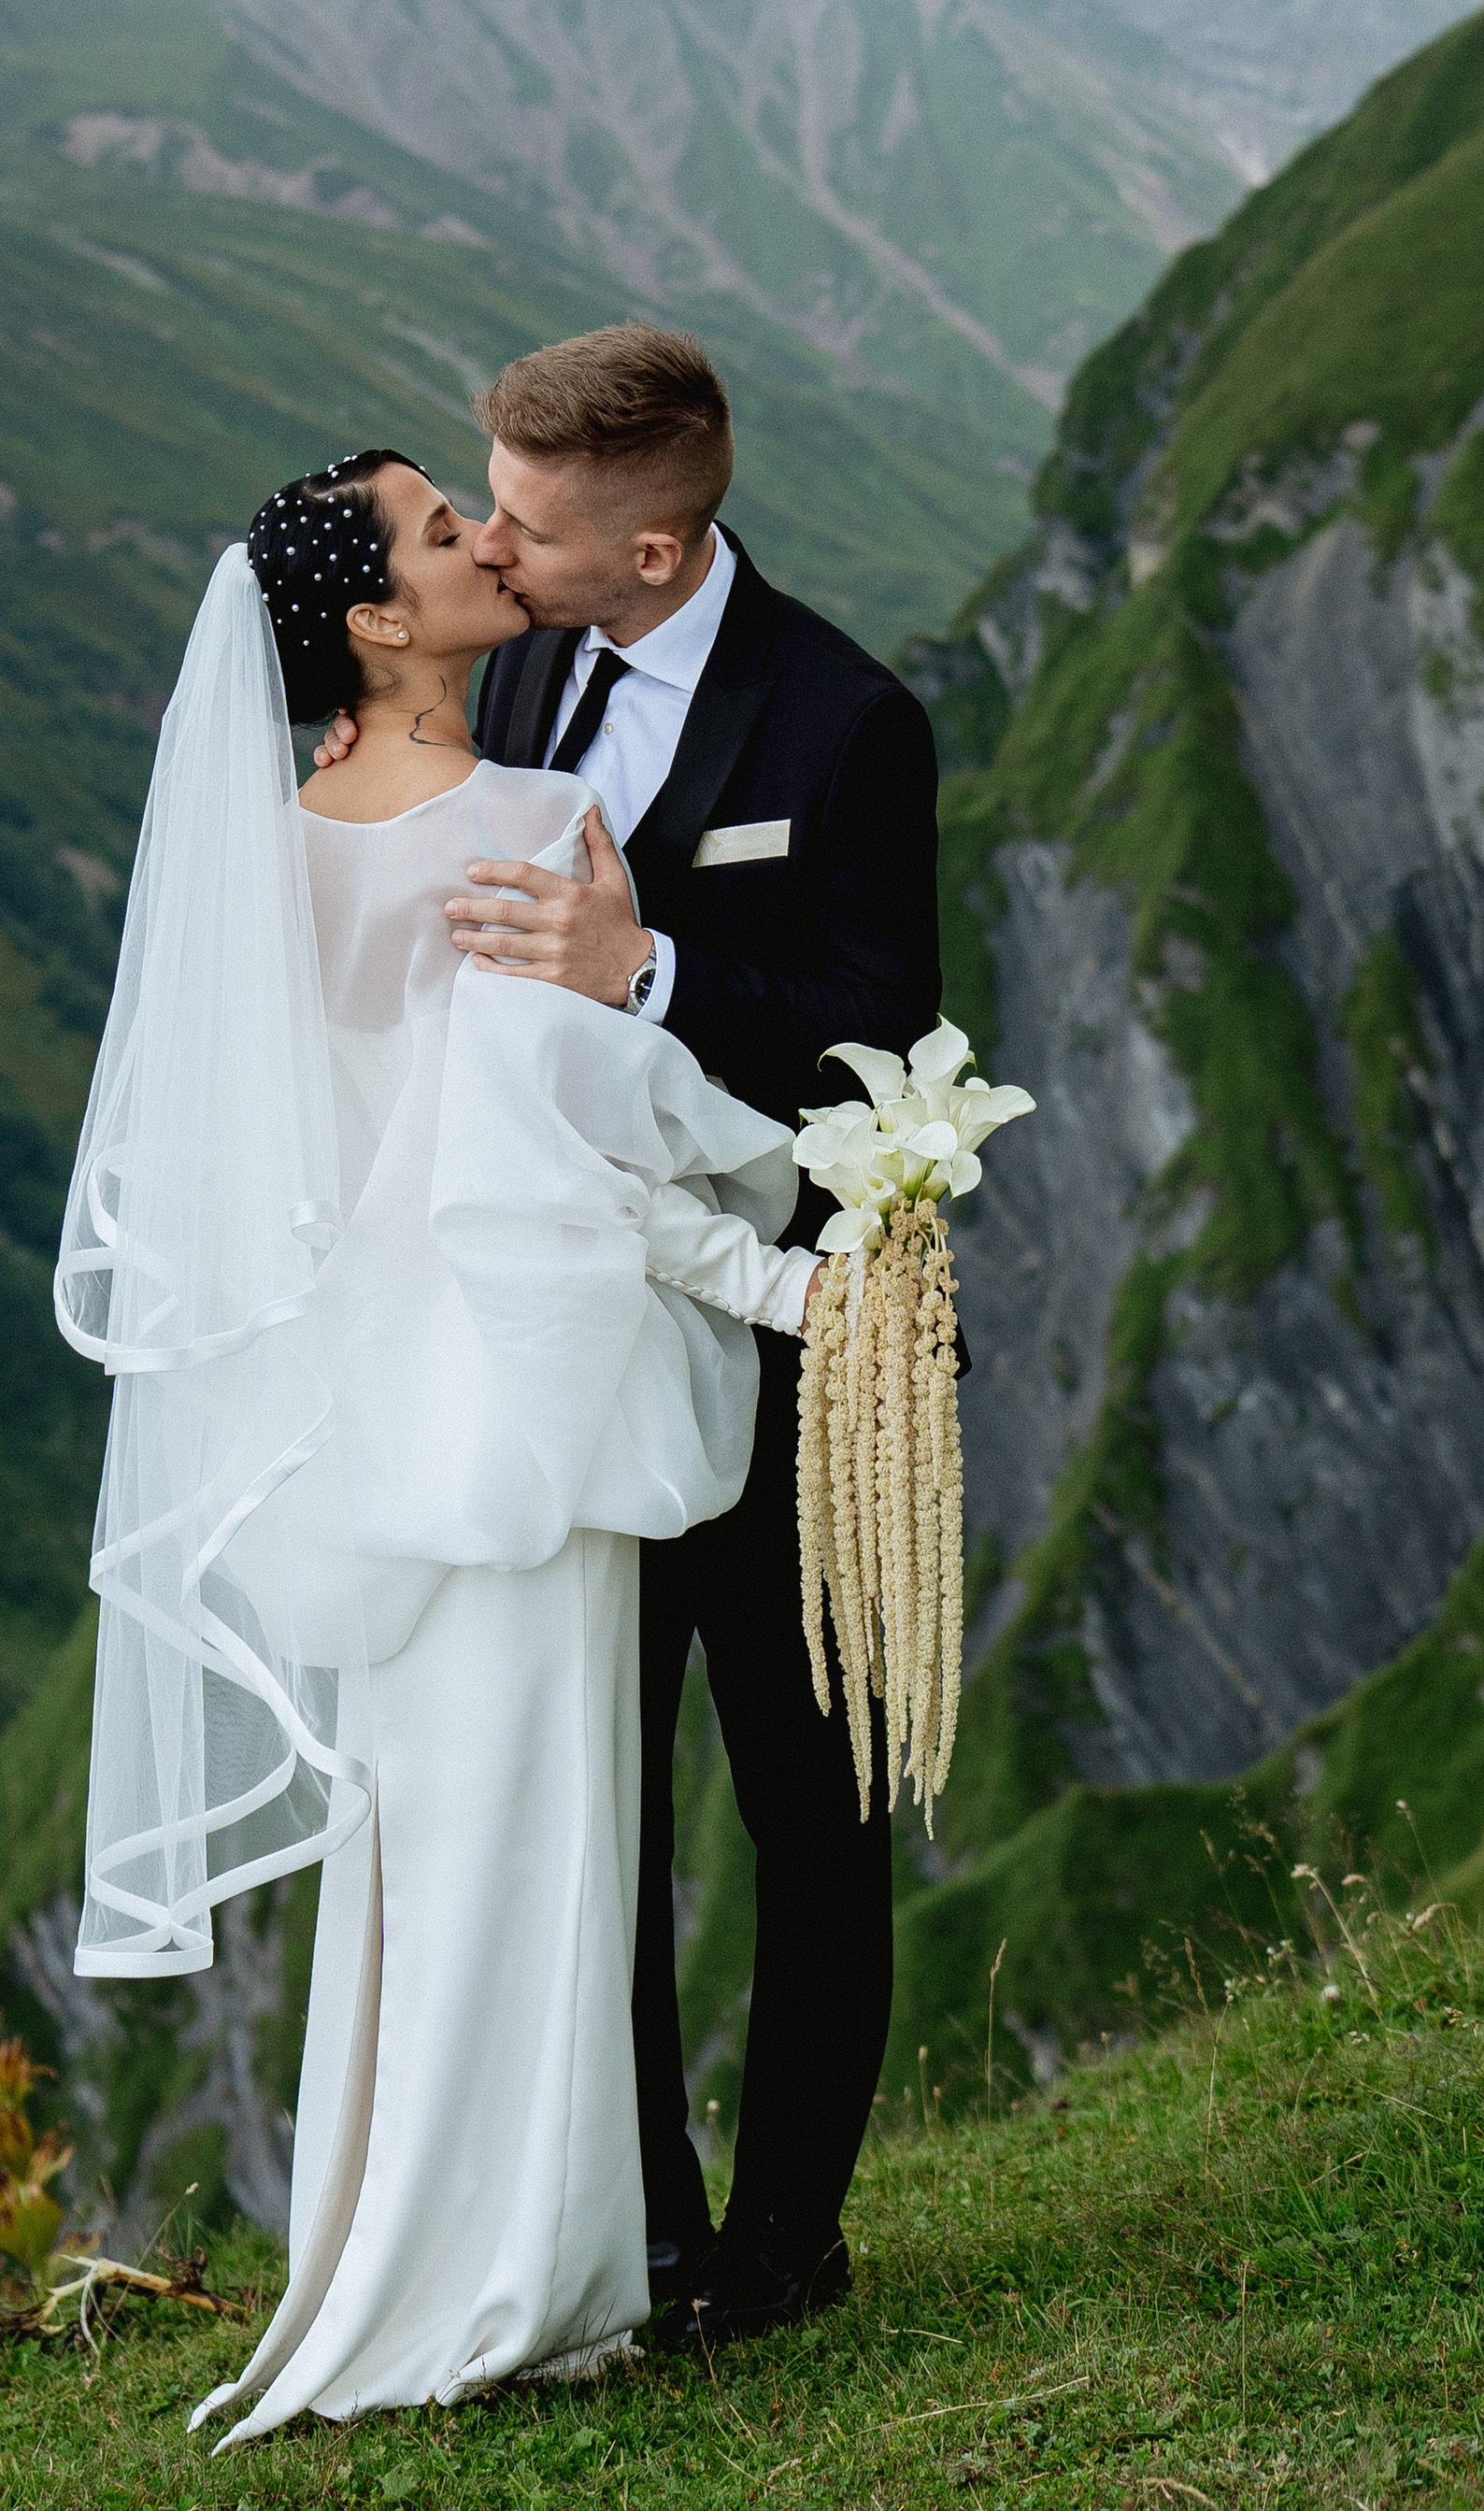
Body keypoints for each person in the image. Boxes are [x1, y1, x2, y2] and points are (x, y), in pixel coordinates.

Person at [59, 450, 819, 2445]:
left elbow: (276, 1175)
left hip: (363, 1425)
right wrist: (792, 1273)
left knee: (427, 1855)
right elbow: (576, 1150)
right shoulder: (534, 823)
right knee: (551, 1839)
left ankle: (417, 2263)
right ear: (379, 622)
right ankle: (515, 2285)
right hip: (527, 1403)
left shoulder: (272, 850)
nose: (487, 542)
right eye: (439, 531)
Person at [334, 324, 941, 2340]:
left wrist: (650, 965)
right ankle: (643, 2235)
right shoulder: (512, 658)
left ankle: (784, 2250)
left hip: (779, 1355)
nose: (489, 549)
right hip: (553, 1367)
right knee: (589, 1799)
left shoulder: (845, 723)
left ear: (659, 555)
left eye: (520, 522)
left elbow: (881, 1047)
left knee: (805, 1798)